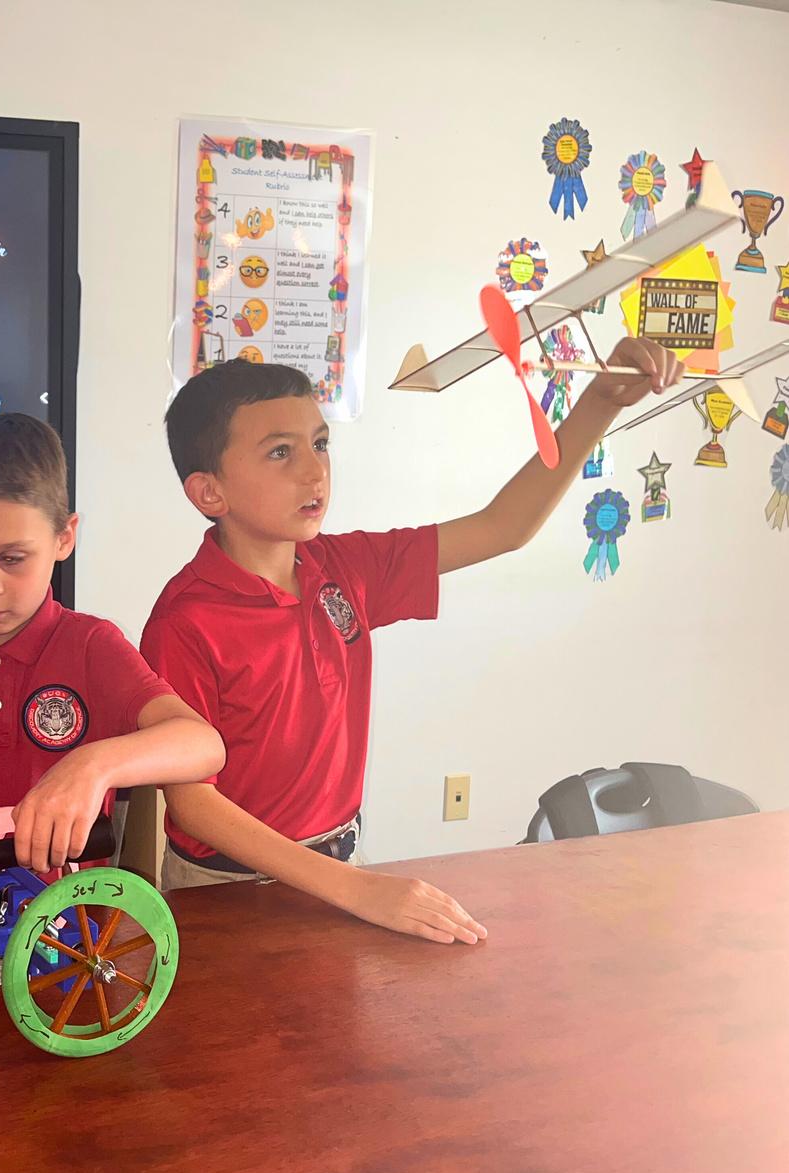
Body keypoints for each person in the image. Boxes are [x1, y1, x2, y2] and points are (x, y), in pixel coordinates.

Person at [141, 341, 681, 943]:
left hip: (341, 864)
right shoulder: (184, 621)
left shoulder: (345, 567)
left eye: (320, 444)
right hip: (226, 890)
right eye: (280, 452)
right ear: (209, 493)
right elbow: (192, 804)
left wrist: (600, 402)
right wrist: (359, 890)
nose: (315, 471)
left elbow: (503, 526)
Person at [0, 413, 225, 933]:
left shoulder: (92, 646)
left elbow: (203, 745)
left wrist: (91, 765)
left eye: (13, 558)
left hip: (73, 935)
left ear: (64, 538)